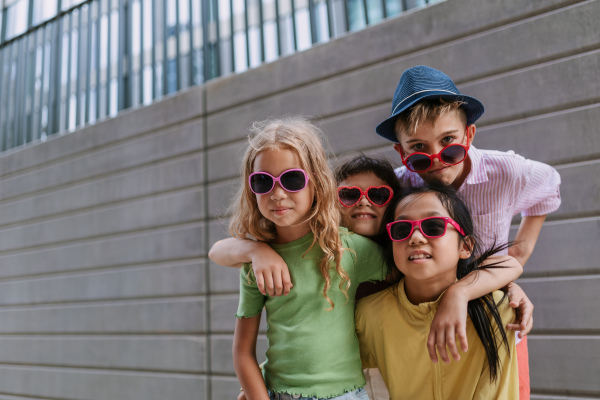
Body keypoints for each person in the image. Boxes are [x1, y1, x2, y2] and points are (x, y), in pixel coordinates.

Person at [375, 65, 561, 399]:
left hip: (493, 312)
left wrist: (514, 261)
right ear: (401, 153)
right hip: (423, 319)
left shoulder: (508, 171)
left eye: (449, 144)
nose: (436, 159)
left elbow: (549, 184)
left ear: (469, 135)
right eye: (418, 149)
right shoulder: (398, 184)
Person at [220, 116, 388, 400]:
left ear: (317, 182)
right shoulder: (255, 266)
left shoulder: (350, 249)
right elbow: (241, 351)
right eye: (263, 181)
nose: (278, 193)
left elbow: (413, 280)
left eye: (292, 178)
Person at [356, 184, 520, 399]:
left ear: (466, 247)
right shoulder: (370, 313)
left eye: (433, 227)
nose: (415, 238)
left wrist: (458, 294)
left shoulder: (496, 306)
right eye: (402, 229)